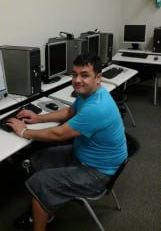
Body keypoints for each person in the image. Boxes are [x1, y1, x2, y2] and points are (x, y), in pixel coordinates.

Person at [7, 53, 128, 231]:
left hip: (97, 172)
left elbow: (58, 135)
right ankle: (45, 203)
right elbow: (70, 112)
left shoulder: (97, 107)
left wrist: (24, 131)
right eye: (74, 74)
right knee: (35, 161)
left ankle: (42, 211)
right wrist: (38, 118)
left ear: (98, 78)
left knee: (40, 182)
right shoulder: (90, 94)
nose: (77, 80)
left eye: (84, 75)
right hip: (84, 155)